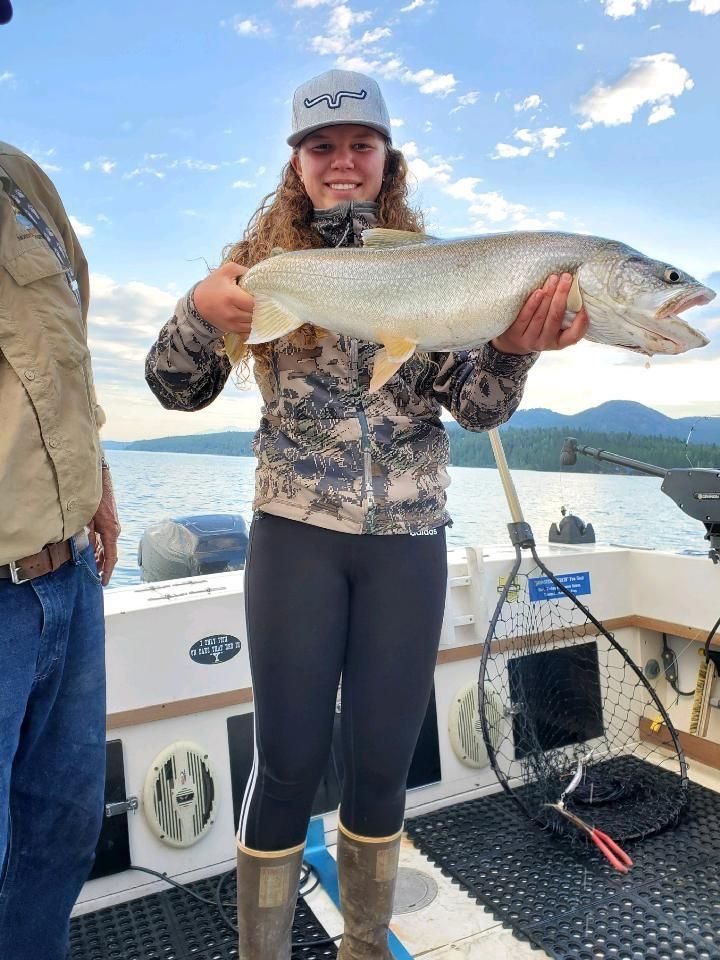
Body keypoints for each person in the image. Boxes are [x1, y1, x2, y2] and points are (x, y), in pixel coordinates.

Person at [146, 68, 587, 959]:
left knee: (385, 765)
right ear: (296, 163)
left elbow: (480, 407)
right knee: (289, 764)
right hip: (295, 542)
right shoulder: (261, 269)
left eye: (361, 144)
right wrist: (198, 309)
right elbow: (175, 387)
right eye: (323, 146)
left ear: (389, 159)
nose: (342, 161)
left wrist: (512, 348)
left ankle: (362, 946)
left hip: (408, 545)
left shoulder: (444, 269)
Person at [0, 100, 121, 960]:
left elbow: (70, 341)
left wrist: (100, 481)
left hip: (69, 580)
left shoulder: (22, 180)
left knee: (61, 836)